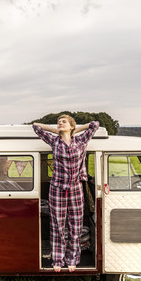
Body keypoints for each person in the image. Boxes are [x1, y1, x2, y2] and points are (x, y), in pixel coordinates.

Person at [33, 115, 99, 272]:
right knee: (57, 225)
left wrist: (75, 129)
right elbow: (36, 126)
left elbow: (94, 125)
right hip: (57, 189)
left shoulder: (81, 140)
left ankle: (72, 259)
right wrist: (56, 130)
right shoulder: (54, 141)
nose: (60, 123)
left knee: (75, 225)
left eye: (63, 122)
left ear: (71, 126)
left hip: (76, 189)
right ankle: (57, 259)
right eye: (58, 122)